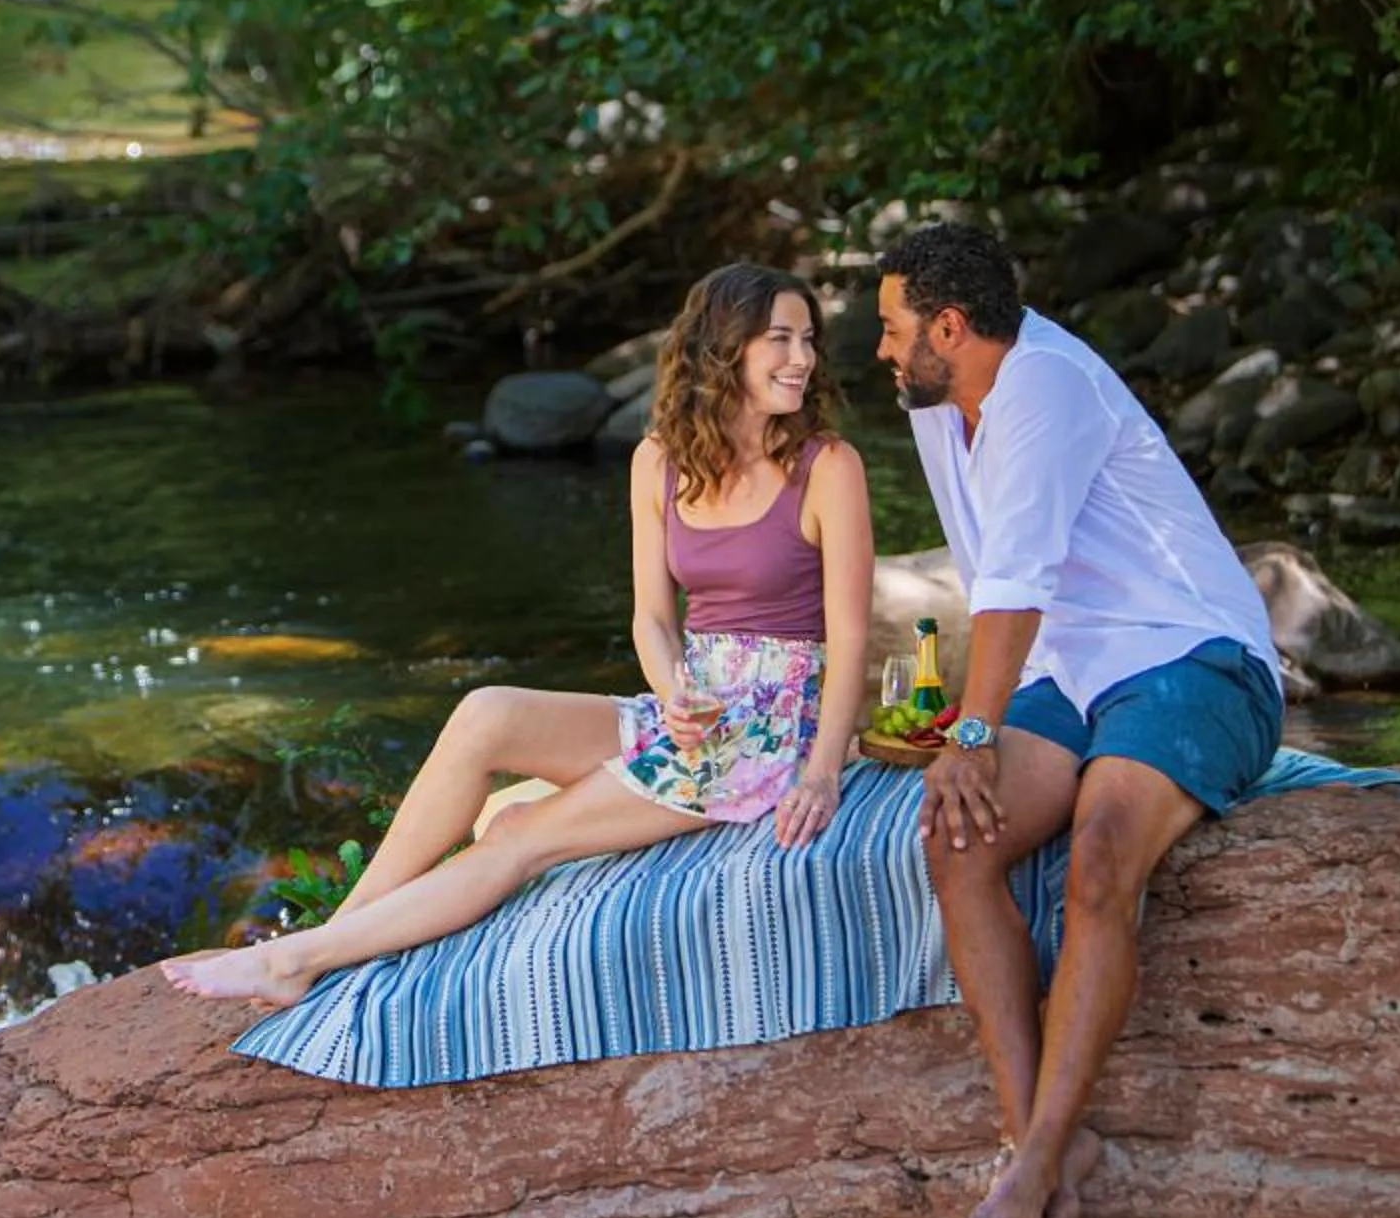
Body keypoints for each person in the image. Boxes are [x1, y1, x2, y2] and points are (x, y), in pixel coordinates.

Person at [163, 262, 874, 1007]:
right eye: (781, 339)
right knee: (485, 714)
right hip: (690, 711)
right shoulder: (659, 461)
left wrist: (823, 772)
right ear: (723, 347)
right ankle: (338, 934)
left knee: (517, 831)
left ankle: (295, 961)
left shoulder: (827, 466)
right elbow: (653, 620)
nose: (803, 358)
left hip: (765, 735)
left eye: (808, 340)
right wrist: (674, 693)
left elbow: (851, 635)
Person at [874, 222, 1285, 1218]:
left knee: (1101, 858)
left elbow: (1010, 581)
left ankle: (1042, 1147)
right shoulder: (937, 400)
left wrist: (973, 728)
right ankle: (1039, 1142)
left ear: (951, 326)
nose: (882, 349)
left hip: (1192, 654)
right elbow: (1004, 583)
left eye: (893, 328)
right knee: (957, 842)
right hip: (1073, 667)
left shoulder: (1045, 385)